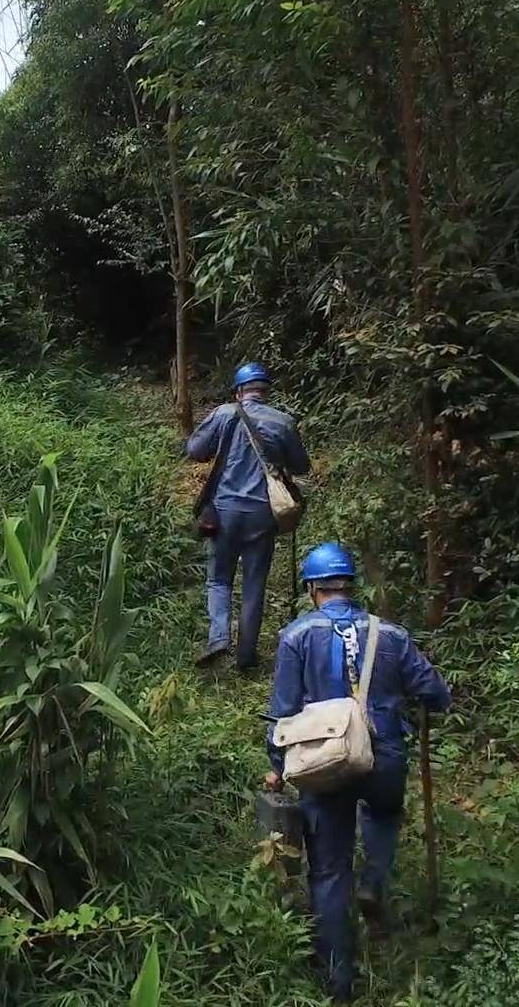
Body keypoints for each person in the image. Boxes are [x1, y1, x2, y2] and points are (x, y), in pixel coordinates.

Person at [264, 542, 451, 1002]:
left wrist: (277, 768)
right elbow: (435, 694)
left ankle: (338, 982)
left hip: (324, 761)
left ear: (313, 589)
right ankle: (373, 882)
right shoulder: (391, 635)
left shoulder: (296, 637)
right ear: (350, 585)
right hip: (384, 754)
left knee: (328, 870)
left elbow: (283, 714)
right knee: (385, 815)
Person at [183, 362, 310, 670]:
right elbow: (301, 466)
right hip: (263, 513)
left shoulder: (225, 413)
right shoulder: (283, 421)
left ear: (239, 391)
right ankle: (246, 657)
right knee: (254, 583)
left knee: (218, 579)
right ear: (266, 392)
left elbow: (196, 450)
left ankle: (218, 638)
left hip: (224, 511)